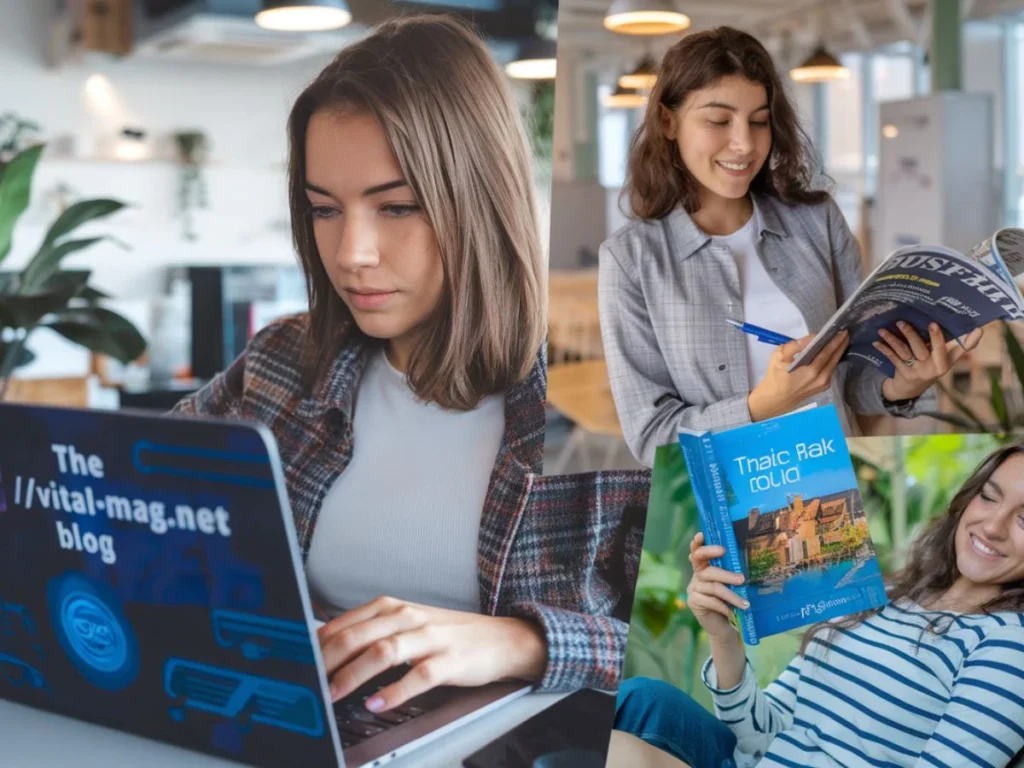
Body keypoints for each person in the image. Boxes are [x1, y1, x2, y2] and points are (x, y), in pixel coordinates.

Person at [173, 15, 649, 715]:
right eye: (323, 210)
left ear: (481, 201)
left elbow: (735, 638)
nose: (350, 252)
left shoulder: (612, 392)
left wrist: (523, 642)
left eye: (396, 207)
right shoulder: (282, 364)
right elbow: (148, 520)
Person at [598, 26, 981, 468]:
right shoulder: (630, 261)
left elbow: (852, 377)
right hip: (728, 500)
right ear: (668, 121)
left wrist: (901, 385)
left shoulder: (816, 221)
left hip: (839, 477)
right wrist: (762, 405)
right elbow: (652, 439)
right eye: (719, 120)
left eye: (759, 121)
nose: (744, 143)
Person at [614, 441, 1024, 768]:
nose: (992, 526)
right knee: (637, 699)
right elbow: (761, 737)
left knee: (617, 749)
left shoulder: (1009, 645)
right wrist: (724, 635)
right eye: (988, 497)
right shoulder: (882, 596)